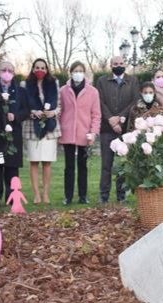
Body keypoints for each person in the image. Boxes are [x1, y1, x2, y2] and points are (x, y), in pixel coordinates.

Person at [96, 56, 139, 204]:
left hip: (125, 129)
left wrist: (120, 117)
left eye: (121, 63)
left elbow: (134, 101)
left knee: (122, 164)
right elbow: (100, 102)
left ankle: (121, 196)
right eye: (115, 64)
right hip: (107, 129)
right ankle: (104, 196)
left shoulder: (132, 81)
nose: (118, 66)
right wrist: (110, 119)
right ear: (111, 65)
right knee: (106, 165)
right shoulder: (102, 81)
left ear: (125, 65)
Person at [59, 61, 101, 205]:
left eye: (80, 71)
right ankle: (68, 196)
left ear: (84, 73)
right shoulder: (63, 91)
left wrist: (93, 132)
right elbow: (60, 111)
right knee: (69, 167)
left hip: (85, 133)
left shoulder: (93, 92)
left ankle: (83, 196)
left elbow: (96, 114)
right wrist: (58, 129)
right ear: (70, 73)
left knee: (83, 166)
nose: (78, 73)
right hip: (68, 132)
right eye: (75, 71)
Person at [22, 58, 61, 204]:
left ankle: (45, 194)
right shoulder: (25, 84)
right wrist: (33, 111)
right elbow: (23, 105)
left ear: (47, 69)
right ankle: (36, 195)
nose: (40, 70)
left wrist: (53, 112)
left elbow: (59, 104)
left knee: (47, 162)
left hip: (50, 126)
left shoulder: (54, 83)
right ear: (33, 69)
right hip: (32, 126)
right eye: (37, 67)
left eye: (43, 68)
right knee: (34, 161)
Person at [0, 61, 30, 200]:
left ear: (14, 73)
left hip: (14, 132)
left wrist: (15, 116)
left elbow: (26, 110)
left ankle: (12, 196)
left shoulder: (21, 91)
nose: (7, 72)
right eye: (4, 70)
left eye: (10, 70)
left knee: (12, 166)